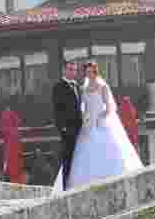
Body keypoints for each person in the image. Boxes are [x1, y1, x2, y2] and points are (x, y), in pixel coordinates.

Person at [57, 61, 144, 190]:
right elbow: (82, 107)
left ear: (95, 72)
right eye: (87, 72)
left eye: (92, 72)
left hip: (101, 122)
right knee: (82, 153)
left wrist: (101, 117)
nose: (89, 74)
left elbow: (110, 107)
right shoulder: (83, 88)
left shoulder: (103, 86)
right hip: (87, 124)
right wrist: (84, 118)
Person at [51, 60, 83, 192]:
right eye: (70, 69)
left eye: (74, 70)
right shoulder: (58, 86)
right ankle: (65, 188)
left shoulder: (77, 86)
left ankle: (76, 184)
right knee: (67, 157)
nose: (72, 72)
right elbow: (57, 109)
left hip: (80, 127)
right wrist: (62, 127)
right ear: (64, 70)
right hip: (67, 129)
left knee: (78, 156)